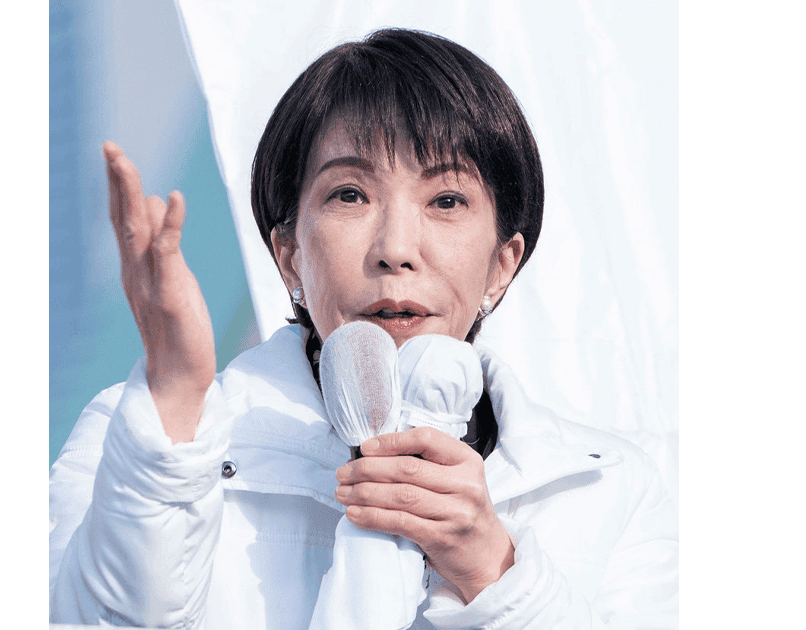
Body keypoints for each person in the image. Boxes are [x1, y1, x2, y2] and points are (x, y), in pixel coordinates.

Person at [49, 28, 677, 629]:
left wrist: (494, 571)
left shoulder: (609, 485)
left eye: (446, 200)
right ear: (290, 254)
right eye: (350, 195)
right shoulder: (146, 440)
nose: (396, 249)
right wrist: (175, 400)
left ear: (502, 264)